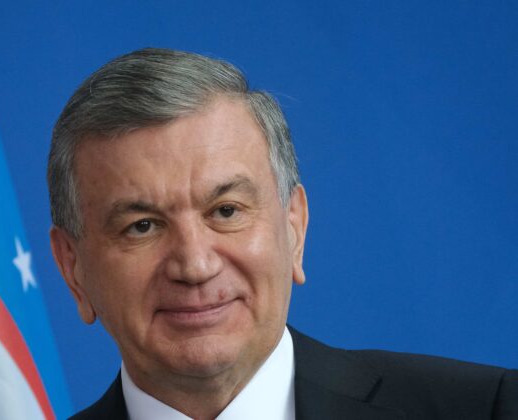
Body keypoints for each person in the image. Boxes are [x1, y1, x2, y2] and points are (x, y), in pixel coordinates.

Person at [47, 48, 517, 420]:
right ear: (73, 268)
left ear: (294, 227)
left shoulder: (489, 408)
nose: (195, 264)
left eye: (226, 211)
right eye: (142, 226)